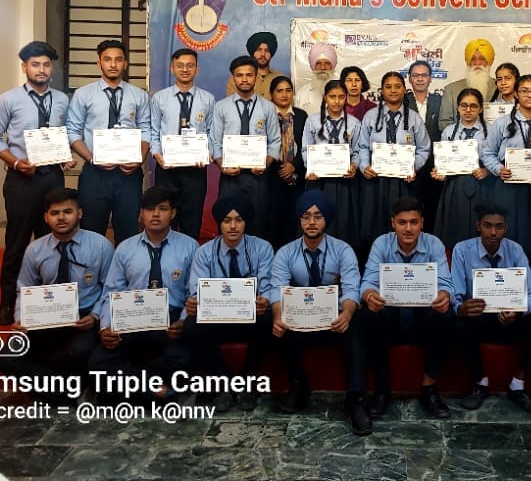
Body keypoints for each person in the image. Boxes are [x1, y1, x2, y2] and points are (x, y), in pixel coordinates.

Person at [269, 190, 371, 436]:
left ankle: (355, 399)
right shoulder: (286, 253)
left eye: (318, 216)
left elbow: (352, 289)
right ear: (300, 220)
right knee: (273, 323)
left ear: (327, 220)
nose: (312, 222)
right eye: (306, 217)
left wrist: (346, 314)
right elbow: (277, 291)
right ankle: (299, 385)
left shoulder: (343, 250)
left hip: (334, 320)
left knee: (360, 321)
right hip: (300, 322)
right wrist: (278, 317)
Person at [0, 40, 72, 325]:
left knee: (54, 242)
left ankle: (49, 303)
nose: (42, 69)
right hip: (21, 180)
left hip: (53, 178)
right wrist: (15, 162)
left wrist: (65, 157)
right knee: (17, 243)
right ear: (24, 67)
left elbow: (64, 134)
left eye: (46, 64)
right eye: (35, 64)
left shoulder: (62, 100)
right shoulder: (9, 99)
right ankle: (7, 303)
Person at [90, 187, 198, 402]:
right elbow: (112, 291)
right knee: (97, 363)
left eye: (163, 208)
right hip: (132, 316)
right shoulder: (125, 248)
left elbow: (194, 292)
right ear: (141, 213)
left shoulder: (190, 246)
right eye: (149, 209)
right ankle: (160, 391)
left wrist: (183, 321)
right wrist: (106, 327)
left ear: (173, 213)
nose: (155, 214)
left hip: (170, 319)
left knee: (184, 357)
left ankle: (131, 387)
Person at [1, 188, 113, 382]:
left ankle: (51, 387)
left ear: (79, 213)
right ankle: (61, 388)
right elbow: (24, 288)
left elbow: (109, 289)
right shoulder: (35, 249)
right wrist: (21, 318)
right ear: (46, 218)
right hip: (45, 317)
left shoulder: (101, 246)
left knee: (79, 352)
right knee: (7, 358)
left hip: (83, 319)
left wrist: (95, 316)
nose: (61, 218)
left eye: (67, 211)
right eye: (54, 213)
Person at [451, 203, 531, 415]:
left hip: (511, 318)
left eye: (499, 227)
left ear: (506, 228)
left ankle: (518, 384)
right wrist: (462, 308)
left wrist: (519, 310)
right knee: (457, 322)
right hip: (480, 319)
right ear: (478, 226)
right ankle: (480, 382)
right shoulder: (462, 250)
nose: (493, 232)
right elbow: (456, 296)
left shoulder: (514, 249)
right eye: (487, 226)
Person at [359, 197, 455, 419]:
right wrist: (370, 295)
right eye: (402, 222)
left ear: (422, 223)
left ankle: (428, 387)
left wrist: (444, 296)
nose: (408, 228)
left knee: (448, 316)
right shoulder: (381, 243)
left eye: (414, 222)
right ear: (393, 223)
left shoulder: (434, 244)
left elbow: (446, 283)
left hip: (423, 318)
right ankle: (382, 390)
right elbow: (367, 282)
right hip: (391, 317)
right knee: (368, 315)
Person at [183, 193, 274, 412]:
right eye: (227, 220)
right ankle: (222, 380)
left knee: (267, 319)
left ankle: (247, 380)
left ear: (246, 222)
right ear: (219, 223)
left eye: (239, 220)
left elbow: (269, 288)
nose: (233, 226)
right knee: (191, 326)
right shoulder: (204, 252)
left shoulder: (262, 248)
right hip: (217, 320)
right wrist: (195, 302)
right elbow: (196, 290)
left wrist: (265, 300)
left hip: (249, 319)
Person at [66, 39, 152, 245]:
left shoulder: (139, 95)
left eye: (118, 59)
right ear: (99, 63)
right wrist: (92, 158)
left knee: (128, 233)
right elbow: (72, 132)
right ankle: (92, 268)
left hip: (128, 175)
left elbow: (147, 130)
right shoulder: (83, 94)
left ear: (125, 63)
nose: (113, 64)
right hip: (95, 174)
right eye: (107, 59)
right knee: (91, 233)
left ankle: (124, 267)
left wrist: (139, 159)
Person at [481, 74, 531, 269]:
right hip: (508, 189)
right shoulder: (501, 123)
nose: (529, 95)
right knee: (509, 237)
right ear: (516, 94)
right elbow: (487, 153)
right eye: (524, 91)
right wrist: (498, 169)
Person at [358, 71, 431, 259]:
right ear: (381, 91)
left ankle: (403, 262)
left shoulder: (413, 118)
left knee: (403, 224)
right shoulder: (370, 116)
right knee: (375, 225)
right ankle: (375, 263)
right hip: (376, 181)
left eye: (397, 86)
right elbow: (362, 146)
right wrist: (364, 166)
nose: (393, 90)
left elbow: (424, 148)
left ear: (404, 90)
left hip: (404, 182)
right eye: (388, 87)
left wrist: (413, 167)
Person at [210, 55, 281, 244]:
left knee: (257, 226)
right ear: (233, 78)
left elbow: (275, 141)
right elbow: (214, 141)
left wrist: (265, 163)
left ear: (256, 77)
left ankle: (255, 262)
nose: (244, 79)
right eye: (239, 75)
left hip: (258, 177)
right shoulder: (221, 107)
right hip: (230, 177)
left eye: (249, 75)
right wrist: (222, 166)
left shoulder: (268, 108)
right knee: (228, 225)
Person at [150, 48, 216, 240]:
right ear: (172, 69)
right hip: (167, 168)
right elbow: (154, 130)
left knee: (192, 220)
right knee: (165, 218)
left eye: (190, 66)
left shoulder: (208, 99)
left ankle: (189, 257)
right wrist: (157, 154)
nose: (185, 69)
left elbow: (211, 132)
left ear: (197, 69)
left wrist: (208, 153)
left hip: (196, 169)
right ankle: (164, 255)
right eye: (180, 66)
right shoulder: (160, 98)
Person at [302, 80, 363, 251]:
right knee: (318, 220)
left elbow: (358, 150)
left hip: (344, 182)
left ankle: (343, 258)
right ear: (325, 98)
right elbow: (305, 149)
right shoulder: (312, 121)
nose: (337, 101)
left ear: (346, 98)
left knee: (343, 223)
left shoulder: (354, 123)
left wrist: (354, 166)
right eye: (332, 97)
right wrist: (310, 167)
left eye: (341, 97)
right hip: (318, 181)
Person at [432, 88, 493, 249]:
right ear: (458, 108)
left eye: (473, 106)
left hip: (482, 188)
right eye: (463, 105)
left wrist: (487, 171)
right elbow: (442, 162)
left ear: (480, 109)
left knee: (480, 232)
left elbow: (498, 159)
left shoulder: (491, 131)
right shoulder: (448, 131)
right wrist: (439, 172)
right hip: (454, 188)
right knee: (454, 231)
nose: (468, 110)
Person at [268, 76, 308, 244]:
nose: (284, 95)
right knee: (273, 222)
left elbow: (307, 144)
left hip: (297, 177)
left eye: (288, 90)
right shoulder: (266, 115)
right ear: (271, 94)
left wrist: (294, 165)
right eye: (279, 91)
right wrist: (280, 168)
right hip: (272, 177)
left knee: (295, 221)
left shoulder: (301, 116)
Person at [405, 60, 443, 233]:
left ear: (430, 79)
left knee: (432, 208)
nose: (420, 79)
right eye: (415, 75)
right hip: (409, 164)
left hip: (434, 165)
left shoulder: (440, 101)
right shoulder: (402, 101)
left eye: (424, 75)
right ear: (409, 79)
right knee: (410, 207)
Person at [439, 39, 496, 130]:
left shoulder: (500, 88)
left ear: (489, 61)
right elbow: (444, 123)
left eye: (482, 58)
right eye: (472, 59)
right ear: (468, 62)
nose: (477, 63)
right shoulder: (451, 90)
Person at [226, 31, 285, 99]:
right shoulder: (237, 79)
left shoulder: (280, 78)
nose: (263, 54)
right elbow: (231, 103)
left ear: (271, 54)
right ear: (253, 52)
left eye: (267, 50)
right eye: (259, 50)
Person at [295, 41, 338, 114]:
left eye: (327, 63)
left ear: (333, 66)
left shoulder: (343, 91)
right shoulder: (302, 94)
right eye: (318, 63)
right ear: (313, 66)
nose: (323, 67)